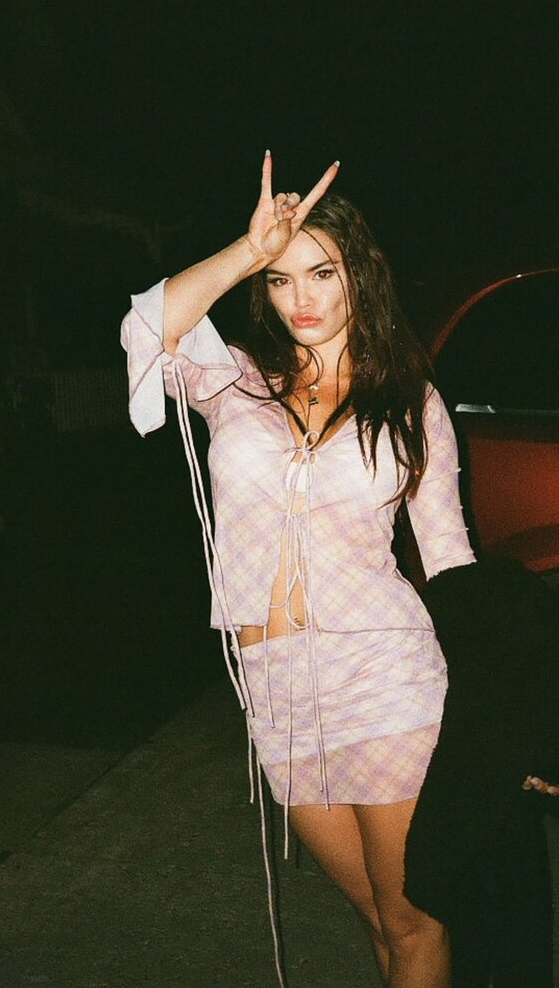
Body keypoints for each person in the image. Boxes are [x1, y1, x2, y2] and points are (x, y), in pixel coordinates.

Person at [121, 152, 477, 988]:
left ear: (361, 275)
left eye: (322, 272)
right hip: (276, 687)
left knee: (413, 921)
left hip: (387, 676)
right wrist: (250, 249)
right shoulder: (237, 383)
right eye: (280, 280)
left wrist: (500, 702)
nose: (300, 298)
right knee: (375, 919)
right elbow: (147, 327)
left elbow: (451, 559)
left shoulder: (410, 401)